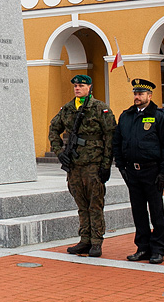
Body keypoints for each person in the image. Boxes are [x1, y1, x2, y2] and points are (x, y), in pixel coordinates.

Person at [48, 74, 116, 258]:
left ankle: (96, 241)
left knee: (95, 204)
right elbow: (54, 128)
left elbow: (111, 137)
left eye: (81, 86)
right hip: (74, 165)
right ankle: (84, 239)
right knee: (81, 204)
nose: (77, 88)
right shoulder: (68, 109)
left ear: (89, 87)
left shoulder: (100, 108)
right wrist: (59, 152)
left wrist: (106, 164)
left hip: (93, 164)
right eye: (76, 86)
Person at [113, 78, 164, 265]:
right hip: (132, 172)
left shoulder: (159, 116)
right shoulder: (126, 116)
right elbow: (117, 143)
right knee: (138, 211)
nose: (137, 97)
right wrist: (121, 166)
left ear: (149, 96)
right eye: (135, 93)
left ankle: (158, 249)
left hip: (152, 171)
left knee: (156, 211)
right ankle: (142, 247)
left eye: (141, 94)